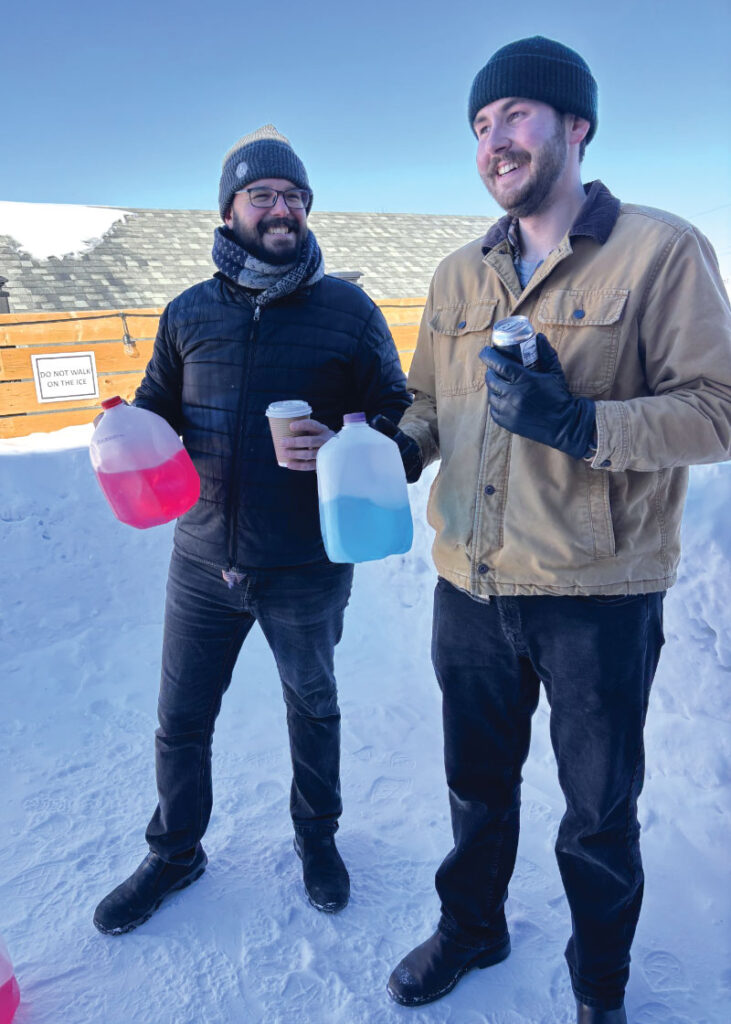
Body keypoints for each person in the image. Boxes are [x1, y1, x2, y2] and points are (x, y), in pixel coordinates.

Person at [381, 36, 731, 1024]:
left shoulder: (660, 251)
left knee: (596, 815)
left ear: (576, 126)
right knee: (474, 786)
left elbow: (717, 408)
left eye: (515, 117)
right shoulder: (456, 275)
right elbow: (424, 403)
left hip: (597, 595)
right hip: (468, 583)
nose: (494, 140)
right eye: (480, 127)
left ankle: (597, 985)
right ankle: (473, 926)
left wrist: (579, 425)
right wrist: (392, 446)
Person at [93, 124, 411, 935]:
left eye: (295, 198)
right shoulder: (187, 313)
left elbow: (398, 407)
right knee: (181, 716)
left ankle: (317, 840)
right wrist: (125, 429)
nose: (283, 210)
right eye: (264, 196)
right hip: (201, 559)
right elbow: (159, 408)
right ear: (230, 210)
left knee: (312, 705)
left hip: (304, 560)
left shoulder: (347, 308)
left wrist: (348, 439)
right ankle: (174, 851)